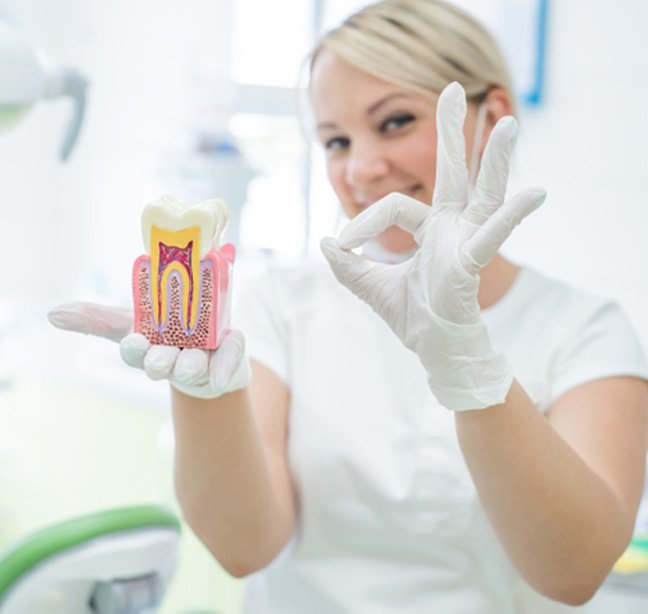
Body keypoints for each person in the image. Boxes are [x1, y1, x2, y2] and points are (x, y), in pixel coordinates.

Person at [48, 0, 648, 612]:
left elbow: (574, 574)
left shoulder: (588, 332)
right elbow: (244, 547)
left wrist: (473, 372)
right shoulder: (282, 303)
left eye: (394, 123)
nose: (360, 169)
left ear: (491, 116)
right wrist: (205, 398)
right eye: (336, 140)